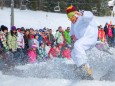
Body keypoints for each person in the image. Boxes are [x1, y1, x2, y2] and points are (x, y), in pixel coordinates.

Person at [66, 6, 98, 79]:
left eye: (72, 17)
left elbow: (90, 15)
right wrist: (72, 36)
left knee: (77, 45)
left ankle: (84, 67)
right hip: (83, 40)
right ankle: (83, 69)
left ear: (76, 14)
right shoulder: (73, 22)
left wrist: (83, 13)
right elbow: (72, 32)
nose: (71, 20)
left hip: (90, 36)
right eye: (69, 18)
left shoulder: (82, 17)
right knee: (73, 53)